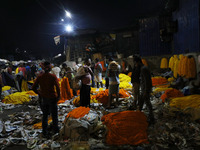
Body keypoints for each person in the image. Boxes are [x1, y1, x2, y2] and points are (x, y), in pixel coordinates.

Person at [32, 61, 60, 138]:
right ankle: (56, 130)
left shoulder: (40, 77)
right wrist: (58, 96)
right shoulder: (53, 76)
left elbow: (33, 87)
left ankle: (45, 131)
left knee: (45, 115)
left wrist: (39, 93)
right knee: (54, 115)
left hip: (44, 98)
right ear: (50, 68)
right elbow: (57, 88)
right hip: (52, 98)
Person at [133, 56, 154, 124]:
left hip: (145, 89)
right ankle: (139, 114)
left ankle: (152, 118)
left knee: (147, 103)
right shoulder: (143, 68)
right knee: (141, 102)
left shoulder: (143, 69)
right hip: (143, 89)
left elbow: (147, 81)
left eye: (135, 63)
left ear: (138, 62)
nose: (135, 65)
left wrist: (145, 91)